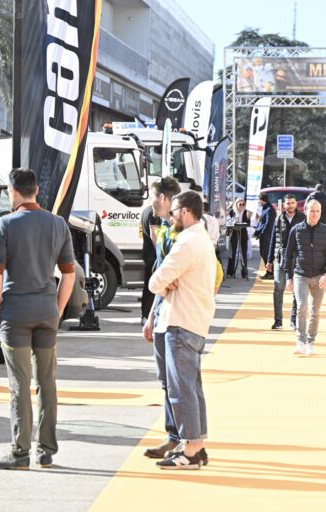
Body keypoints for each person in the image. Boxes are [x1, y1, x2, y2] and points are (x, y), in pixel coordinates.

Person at [0, 168, 76, 470]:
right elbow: (69, 273)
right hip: (46, 312)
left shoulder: (6, 224)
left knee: (20, 384)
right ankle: (46, 450)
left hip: (16, 314)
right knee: (47, 382)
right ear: (37, 190)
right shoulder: (58, 224)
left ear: (12, 192)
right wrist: (58, 310)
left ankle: (20, 452)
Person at [149, 191, 218, 470]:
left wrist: (165, 284)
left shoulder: (187, 242)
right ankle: (196, 444)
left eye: (174, 211)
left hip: (180, 322)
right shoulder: (203, 240)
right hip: (195, 321)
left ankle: (190, 449)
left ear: (186, 211)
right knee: (192, 389)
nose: (171, 216)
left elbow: (155, 281)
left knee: (181, 390)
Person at [142, 177, 183, 459]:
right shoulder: (166, 229)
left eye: (153, 197)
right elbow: (159, 271)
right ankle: (173, 435)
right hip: (161, 311)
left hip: (178, 316)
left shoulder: (182, 234)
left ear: (164, 199)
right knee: (166, 380)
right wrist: (151, 315)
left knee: (178, 381)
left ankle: (183, 438)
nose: (150, 202)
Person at [284, 199, 326, 355]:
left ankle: (310, 342)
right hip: (301, 275)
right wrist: (289, 277)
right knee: (301, 307)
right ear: (305, 211)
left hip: (319, 276)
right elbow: (288, 255)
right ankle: (300, 341)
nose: (315, 214)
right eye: (312, 211)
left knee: (315, 310)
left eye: (318, 211)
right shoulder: (296, 230)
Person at [266, 194, 306, 330]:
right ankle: (278, 321)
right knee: (278, 289)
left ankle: (294, 320)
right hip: (280, 259)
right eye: (288, 203)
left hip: (297, 259)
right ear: (284, 205)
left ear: (296, 204)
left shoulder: (303, 218)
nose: (290, 205)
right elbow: (273, 240)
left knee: (297, 290)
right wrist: (269, 260)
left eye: (293, 202)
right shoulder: (279, 218)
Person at [140, 204, 160, 323]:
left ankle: (145, 315)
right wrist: (160, 252)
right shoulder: (153, 213)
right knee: (153, 286)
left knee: (148, 286)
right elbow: (154, 234)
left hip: (148, 253)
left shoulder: (145, 210)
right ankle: (147, 315)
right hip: (153, 255)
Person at [254, 192, 277, 280]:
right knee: (263, 253)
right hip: (264, 235)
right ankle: (269, 272)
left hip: (267, 236)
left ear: (261, 200)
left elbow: (268, 224)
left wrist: (262, 233)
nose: (258, 201)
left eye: (259, 199)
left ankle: (270, 273)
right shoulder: (266, 208)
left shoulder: (269, 209)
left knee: (266, 254)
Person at [227, 199, 251, 278]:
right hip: (234, 232)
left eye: (243, 204)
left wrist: (248, 217)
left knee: (243, 253)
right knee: (232, 253)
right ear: (236, 204)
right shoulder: (232, 211)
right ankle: (230, 272)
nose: (241, 206)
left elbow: (248, 223)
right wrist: (232, 222)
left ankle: (244, 273)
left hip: (243, 233)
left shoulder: (246, 212)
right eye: (240, 204)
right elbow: (228, 222)